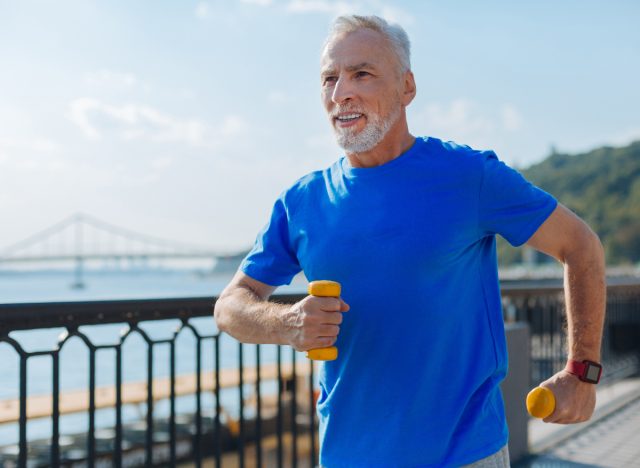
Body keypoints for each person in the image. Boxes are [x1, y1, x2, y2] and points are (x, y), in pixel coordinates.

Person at [214, 14, 606, 467]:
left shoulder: (468, 176)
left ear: (407, 88)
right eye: (329, 78)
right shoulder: (302, 201)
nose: (341, 92)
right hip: (345, 457)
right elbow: (229, 308)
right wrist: (286, 324)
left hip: (464, 456)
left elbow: (581, 246)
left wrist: (582, 372)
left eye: (361, 73)